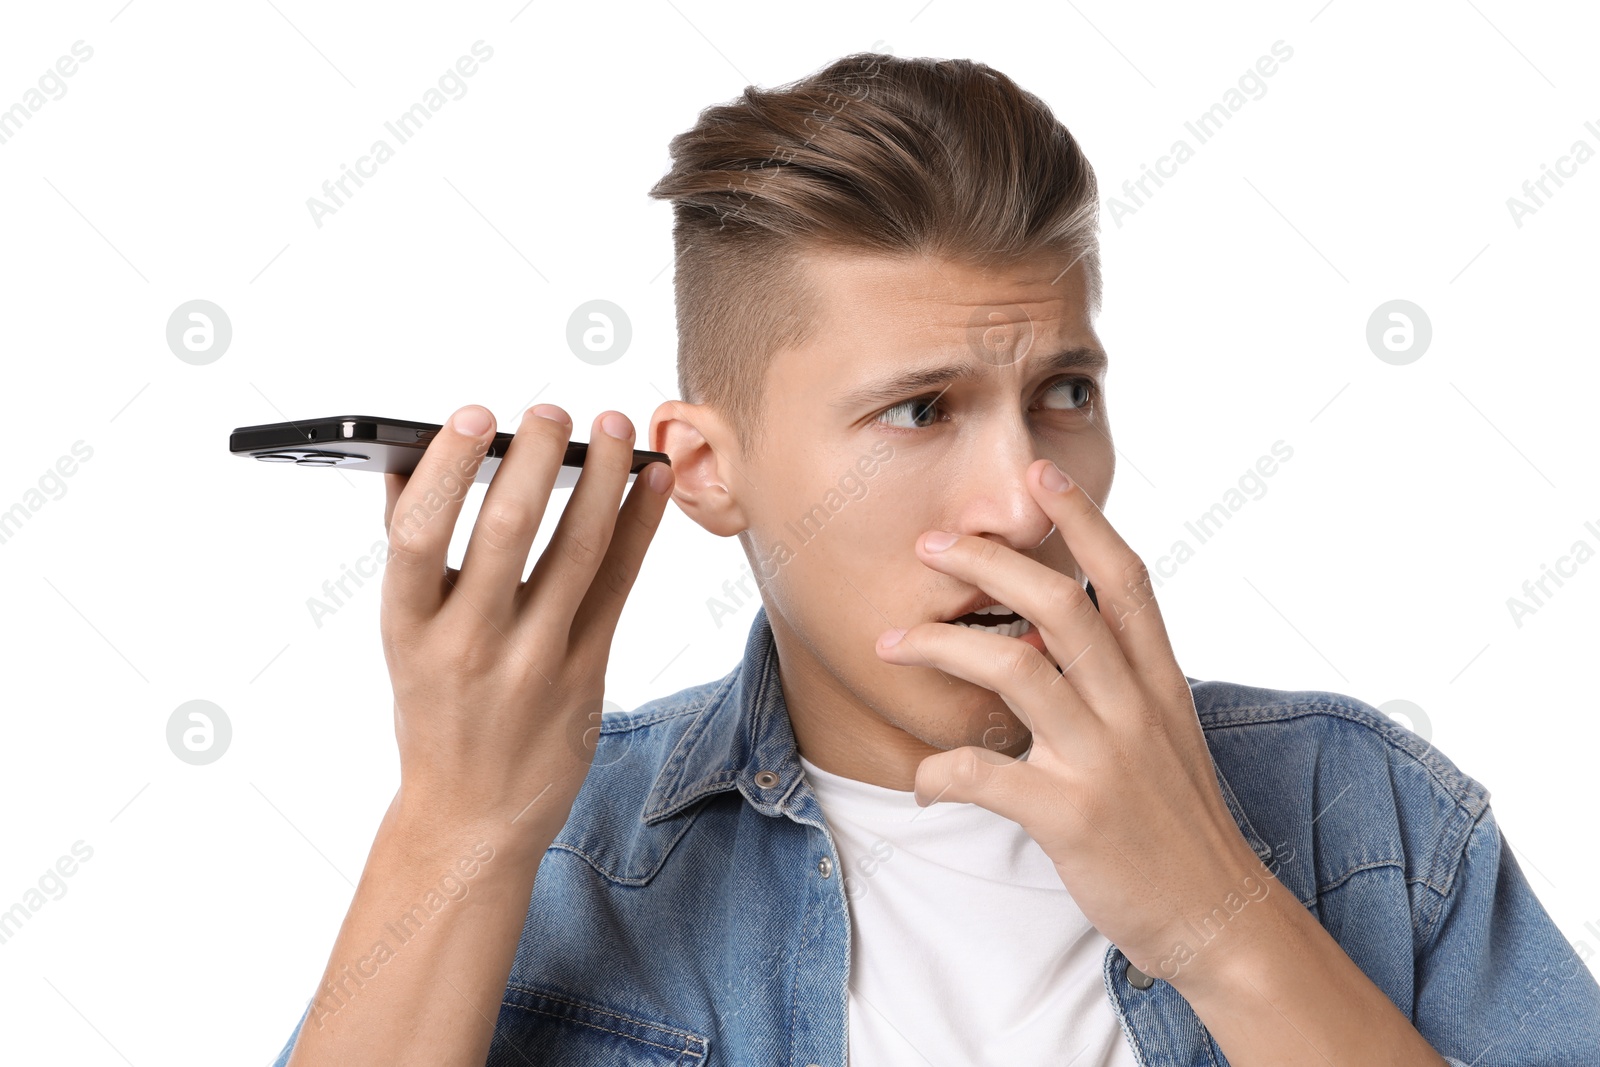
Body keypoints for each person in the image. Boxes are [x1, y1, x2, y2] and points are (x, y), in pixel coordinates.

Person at [269, 53, 1600, 1065]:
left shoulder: (1363, 817)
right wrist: (457, 827)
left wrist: (1219, 917)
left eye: (1065, 393)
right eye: (920, 410)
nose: (1027, 503)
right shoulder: (572, 865)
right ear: (711, 473)